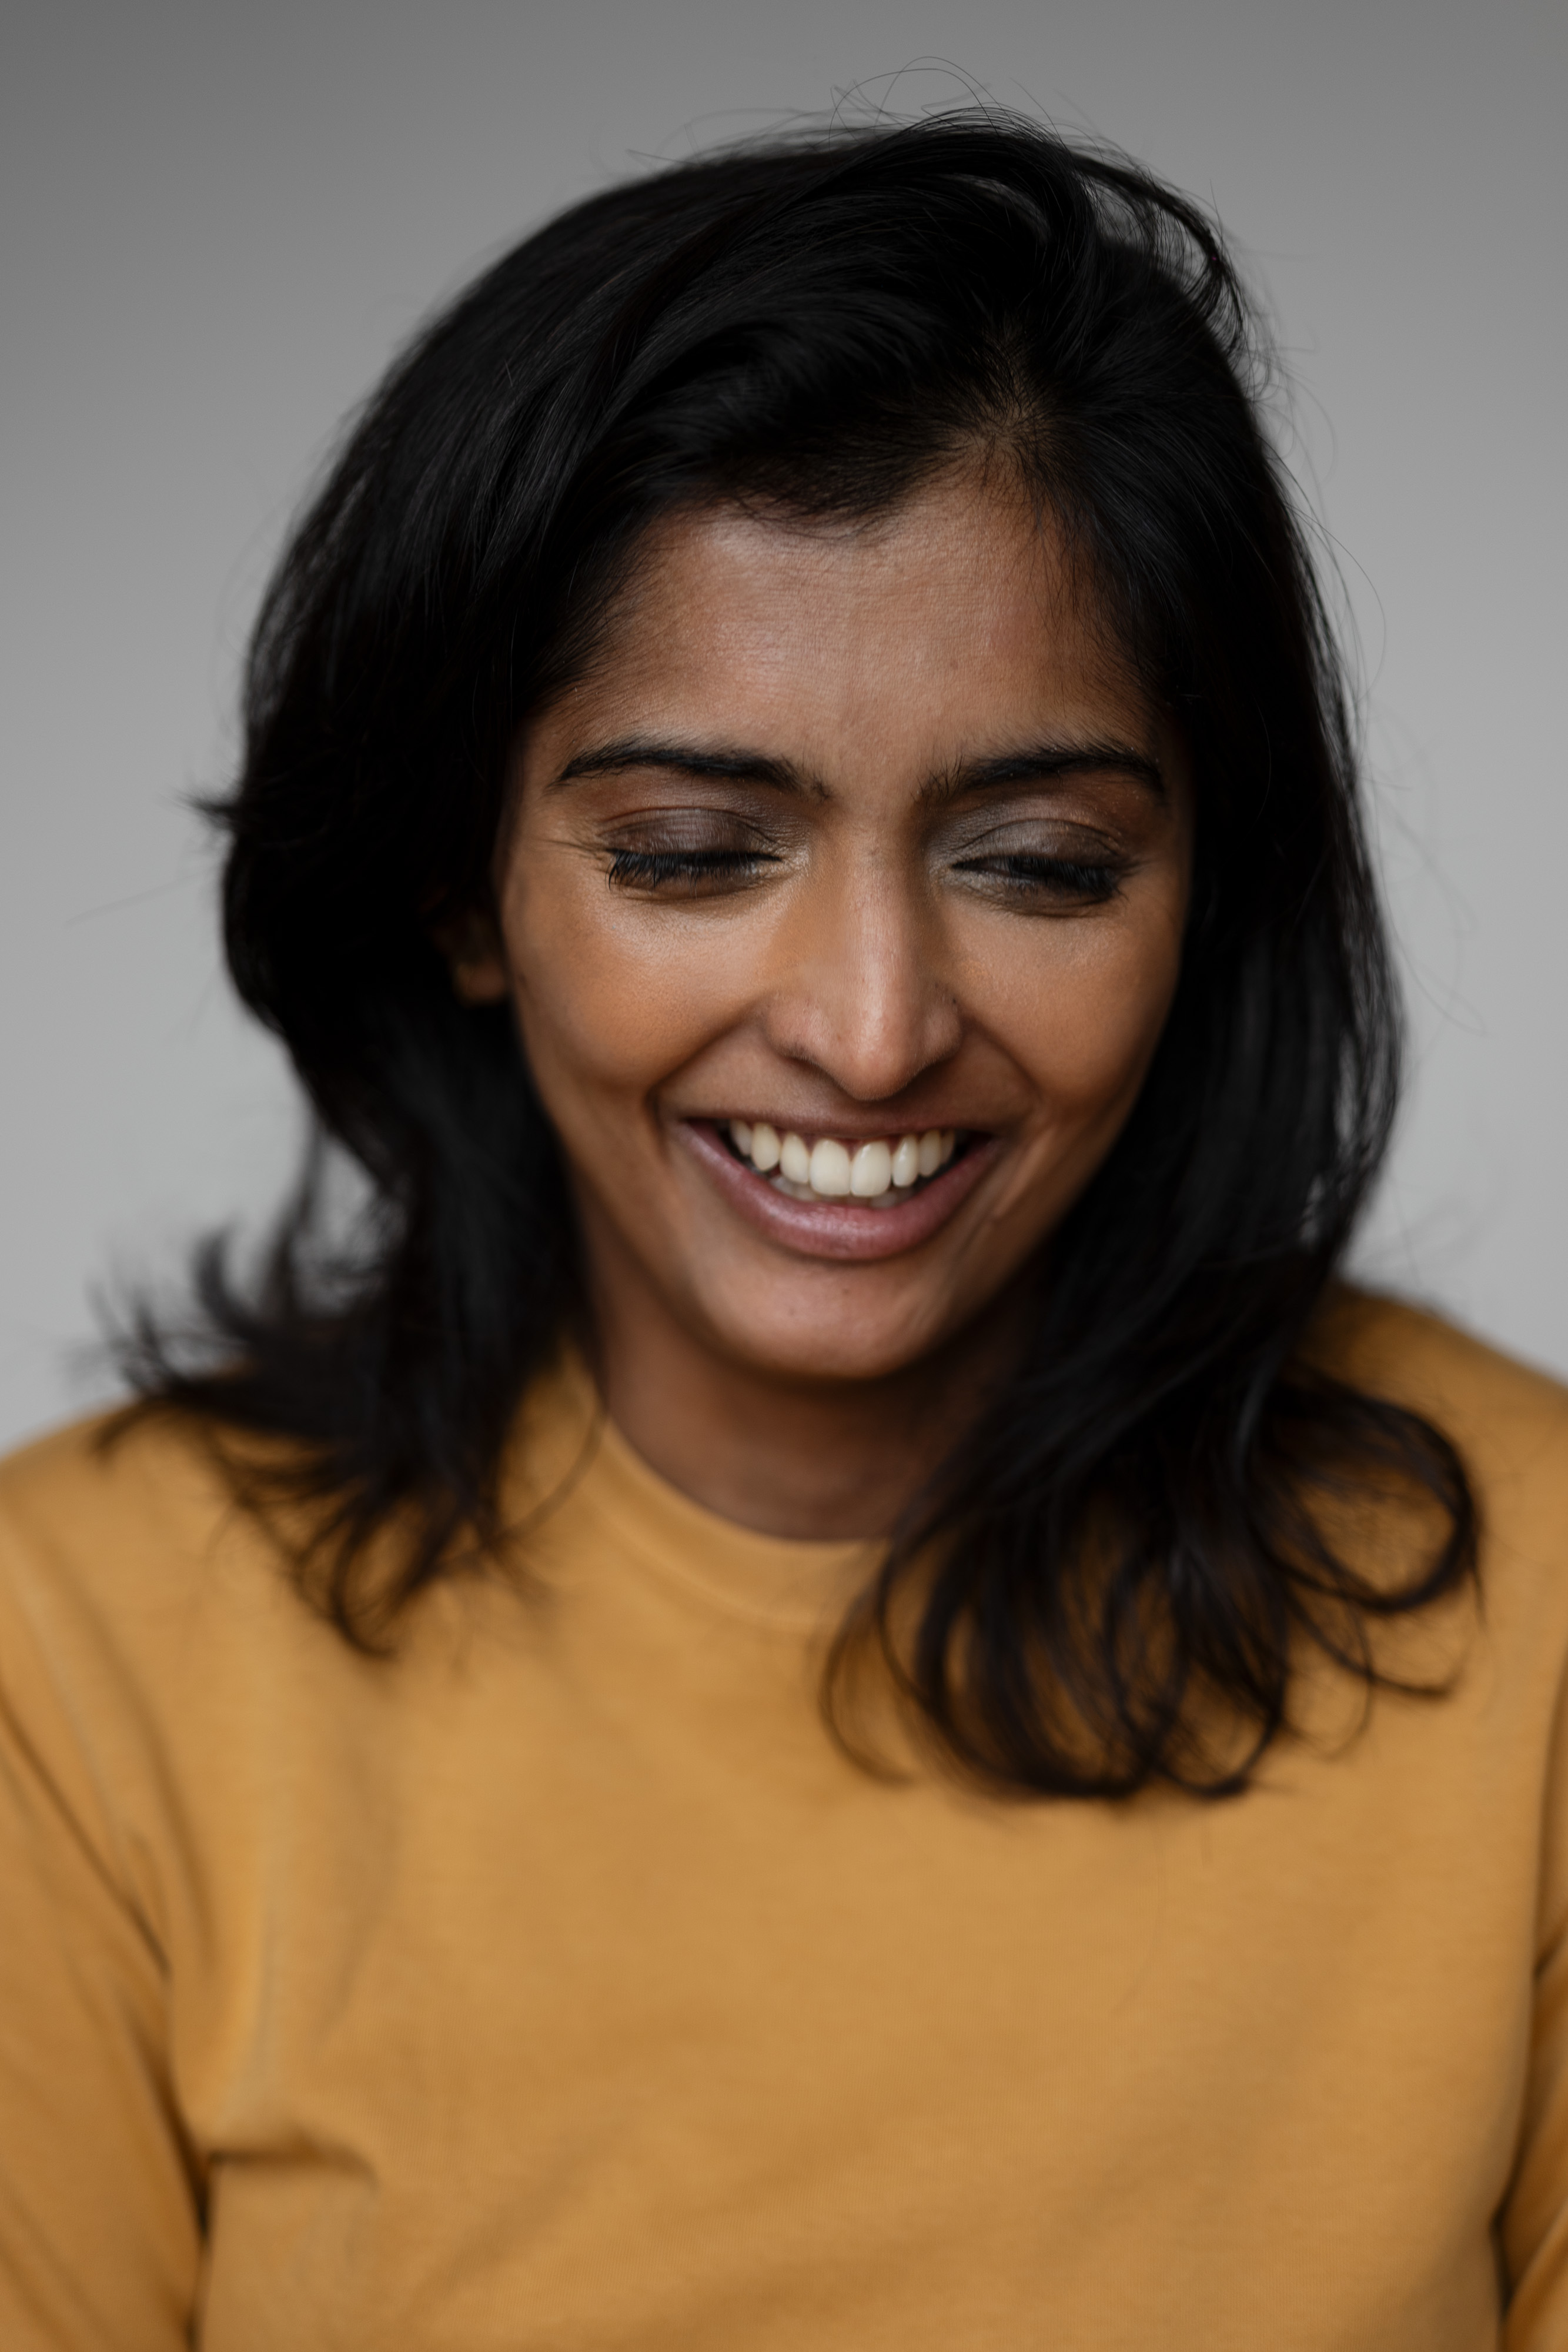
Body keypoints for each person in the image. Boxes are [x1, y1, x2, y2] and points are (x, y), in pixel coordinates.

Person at [1, 111, 1563, 2351]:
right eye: (688, 851)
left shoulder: (1544, 1603)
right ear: (463, 882)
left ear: (1204, 899)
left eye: (1036, 865)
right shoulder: (74, 1660)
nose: (867, 1027)